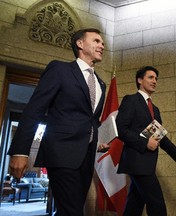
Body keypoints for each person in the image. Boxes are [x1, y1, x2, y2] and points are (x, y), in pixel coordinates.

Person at [8, 28, 106, 216]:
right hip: (61, 153)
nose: (102, 45)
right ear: (80, 44)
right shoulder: (60, 69)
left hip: (86, 157)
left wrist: (97, 140)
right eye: (96, 41)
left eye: (102, 43)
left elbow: (89, 120)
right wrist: (20, 150)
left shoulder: (101, 83)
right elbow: (34, 109)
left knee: (73, 209)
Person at [116, 66, 176, 216]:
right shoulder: (130, 100)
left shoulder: (154, 109)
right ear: (139, 80)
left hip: (147, 163)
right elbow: (120, 129)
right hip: (136, 162)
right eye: (150, 77)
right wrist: (145, 143)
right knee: (157, 204)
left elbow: (159, 136)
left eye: (156, 78)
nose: (154, 81)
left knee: (134, 205)